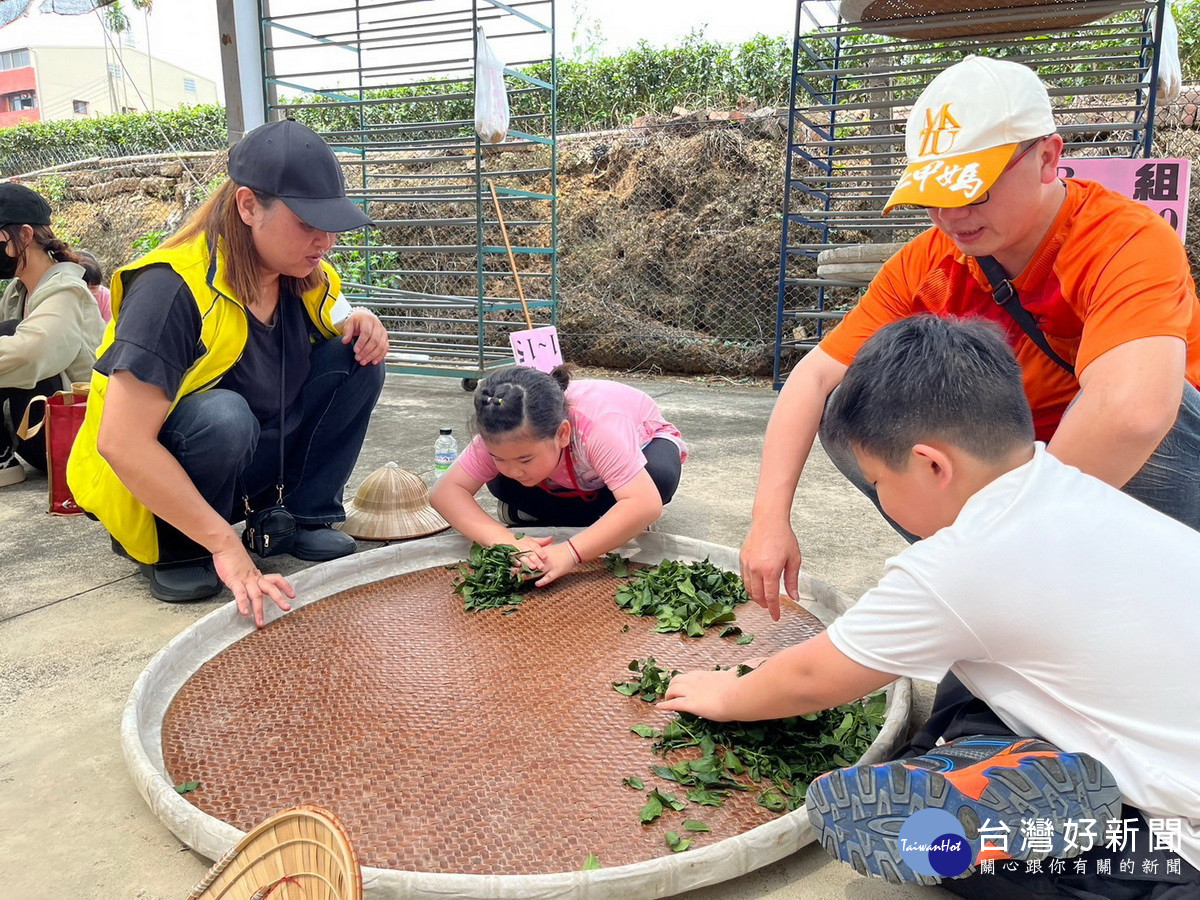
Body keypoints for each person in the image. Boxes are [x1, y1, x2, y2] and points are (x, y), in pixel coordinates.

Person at [661, 316, 1200, 897]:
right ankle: (1025, 768)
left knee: (898, 831)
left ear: (932, 465)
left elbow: (814, 677)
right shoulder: (1071, 486)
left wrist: (724, 695)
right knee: (964, 686)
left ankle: (1105, 848)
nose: (879, 497)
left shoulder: (961, 564)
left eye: (877, 480)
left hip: (1180, 836)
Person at [741, 54, 1200, 614]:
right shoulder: (931, 262)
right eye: (936, 196)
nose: (953, 216)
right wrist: (768, 521)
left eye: (974, 190)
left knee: (1155, 388)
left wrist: (993, 546)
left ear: (1048, 158)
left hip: (1151, 468)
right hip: (1023, 464)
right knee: (849, 406)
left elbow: (1133, 415)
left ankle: (1027, 577)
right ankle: (1002, 584)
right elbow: (813, 378)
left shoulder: (1122, 239)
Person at [68, 118, 388, 625]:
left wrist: (361, 321)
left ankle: (301, 513)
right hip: (160, 484)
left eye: (332, 224)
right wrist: (225, 545)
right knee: (222, 414)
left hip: (249, 464)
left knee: (357, 358)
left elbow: (338, 314)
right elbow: (122, 443)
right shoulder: (171, 289)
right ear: (247, 206)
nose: (325, 240)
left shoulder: (305, 273)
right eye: (307, 223)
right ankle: (182, 549)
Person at [430, 365, 686, 586]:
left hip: (628, 462)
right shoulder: (504, 429)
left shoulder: (598, 428)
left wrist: (570, 552)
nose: (512, 469)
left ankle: (625, 521)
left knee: (656, 479)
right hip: (563, 479)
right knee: (499, 480)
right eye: (498, 457)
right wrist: (503, 540)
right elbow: (445, 492)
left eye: (525, 458)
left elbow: (645, 502)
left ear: (562, 434)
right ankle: (615, 522)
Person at [0, 182, 104, 487]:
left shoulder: (67, 290)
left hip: (73, 435)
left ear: (26, 235)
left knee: (13, 338)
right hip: (36, 431)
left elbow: (31, 354)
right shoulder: (16, 293)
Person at [75, 248, 112, 323]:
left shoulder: (105, 297)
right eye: (84, 287)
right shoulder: (66, 296)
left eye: (93, 288)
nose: (89, 292)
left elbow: (110, 327)